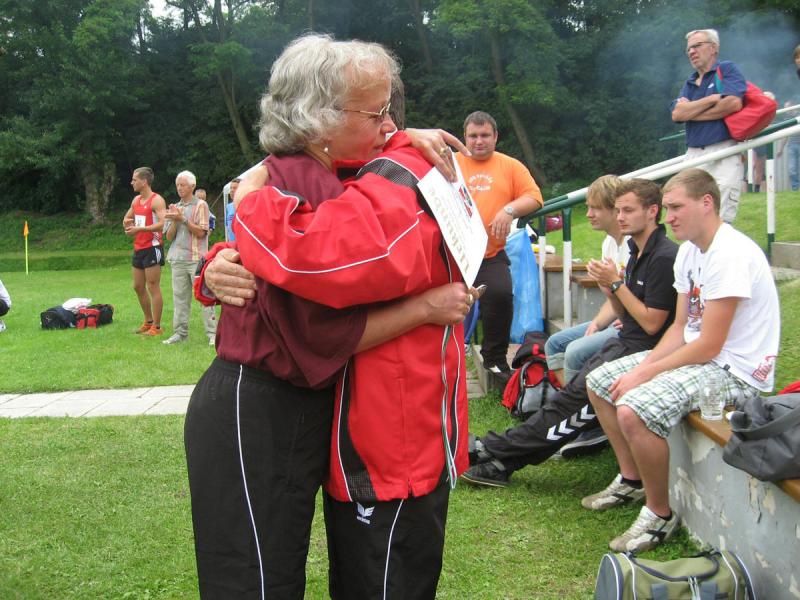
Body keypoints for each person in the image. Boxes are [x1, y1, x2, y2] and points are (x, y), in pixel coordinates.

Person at [185, 34, 473, 600]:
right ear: (319, 119)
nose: (390, 124)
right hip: (258, 404)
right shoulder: (293, 181)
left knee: (276, 574)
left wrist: (406, 141)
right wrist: (220, 256)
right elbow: (315, 312)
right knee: (255, 581)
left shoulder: (336, 176)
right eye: (377, 112)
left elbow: (319, 256)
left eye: (391, 110)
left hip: (301, 410)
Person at [584, 168, 780, 553]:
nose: (668, 217)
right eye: (667, 208)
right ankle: (631, 480)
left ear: (707, 203)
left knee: (633, 409)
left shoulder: (731, 254)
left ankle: (659, 514)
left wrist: (646, 373)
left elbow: (709, 346)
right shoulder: (690, 250)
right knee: (600, 382)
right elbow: (680, 327)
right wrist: (643, 368)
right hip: (701, 356)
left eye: (676, 207)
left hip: (735, 370)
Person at [462, 179, 678, 488]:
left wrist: (616, 284)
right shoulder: (636, 251)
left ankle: (496, 452)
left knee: (569, 407)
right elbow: (625, 316)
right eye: (618, 210)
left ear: (652, 211)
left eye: (628, 211)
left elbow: (652, 325)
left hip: (641, 352)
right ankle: (499, 456)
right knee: (563, 403)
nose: (620, 217)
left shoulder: (664, 257)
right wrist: (611, 290)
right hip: (624, 343)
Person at [455, 111, 543, 379]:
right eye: (473, 136)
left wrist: (508, 210)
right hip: (451, 254)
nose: (478, 141)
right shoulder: (451, 163)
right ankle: (444, 359)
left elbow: (534, 197)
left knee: (501, 294)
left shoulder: (510, 166)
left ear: (495, 136)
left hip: (489, 254)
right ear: (464, 137)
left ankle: (494, 360)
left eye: (484, 135)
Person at [545, 175, 629, 457]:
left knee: (575, 352)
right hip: (619, 317)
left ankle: (586, 426)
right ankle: (576, 414)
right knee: (555, 343)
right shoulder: (609, 244)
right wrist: (596, 322)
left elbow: (634, 301)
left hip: (633, 326)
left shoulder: (633, 244)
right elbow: (613, 299)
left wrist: (617, 308)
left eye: (595, 208)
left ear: (614, 210)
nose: (589, 213)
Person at [671, 29, 746, 223]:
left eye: (697, 46)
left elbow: (733, 103)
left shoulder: (726, 69)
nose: (691, 52)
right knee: (690, 214)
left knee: (720, 215)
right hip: (694, 155)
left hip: (724, 151)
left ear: (713, 48)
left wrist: (692, 112)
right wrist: (711, 100)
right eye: (688, 49)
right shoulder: (689, 82)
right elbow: (677, 114)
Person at [162, 171, 217, 346]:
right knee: (179, 298)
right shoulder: (175, 206)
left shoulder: (201, 205)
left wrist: (183, 219)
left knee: (204, 296)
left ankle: (213, 334)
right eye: (177, 185)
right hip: (177, 258)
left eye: (183, 185)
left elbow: (201, 233)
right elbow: (169, 237)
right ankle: (180, 333)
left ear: (192, 186)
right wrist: (175, 220)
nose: (179, 188)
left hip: (196, 259)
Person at [123, 167, 166, 336]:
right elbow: (127, 218)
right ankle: (148, 322)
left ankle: (157, 326)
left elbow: (163, 224)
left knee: (152, 286)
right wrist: (128, 224)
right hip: (139, 247)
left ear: (144, 181)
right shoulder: (136, 200)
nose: (131, 182)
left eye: (134, 180)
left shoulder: (157, 200)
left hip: (153, 247)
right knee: (138, 286)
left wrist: (141, 228)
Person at [777, 99, 800, 191]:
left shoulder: (799, 116)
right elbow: (785, 135)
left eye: (787, 107)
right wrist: (780, 149)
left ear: (792, 106)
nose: (785, 110)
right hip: (792, 145)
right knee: (792, 169)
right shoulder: (786, 119)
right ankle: (795, 188)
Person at [224, 178, 240, 242]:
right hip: (232, 243)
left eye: (235, 188)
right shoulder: (228, 207)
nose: (232, 190)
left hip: (243, 243)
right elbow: (228, 227)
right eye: (231, 188)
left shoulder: (246, 204)